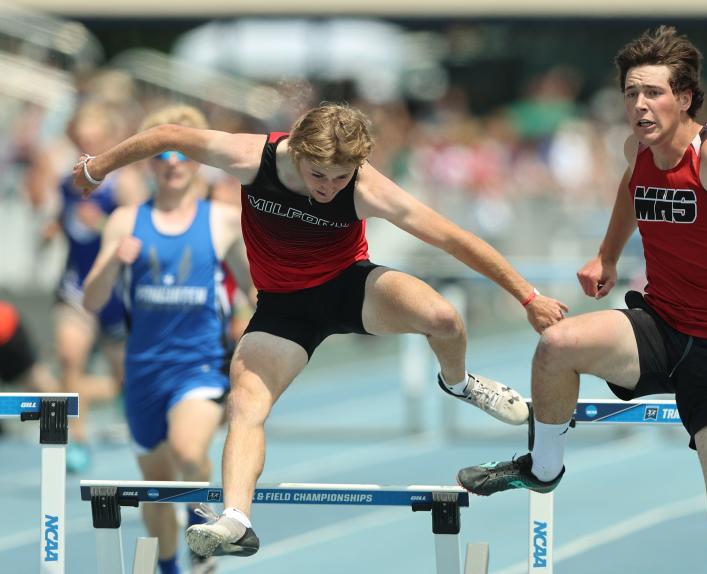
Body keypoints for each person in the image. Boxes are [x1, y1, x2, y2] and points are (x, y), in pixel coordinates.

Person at [71, 101, 569, 559]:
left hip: (348, 287)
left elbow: (453, 238)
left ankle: (458, 382)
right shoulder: (254, 157)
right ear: (297, 151)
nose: (329, 187)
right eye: (318, 175)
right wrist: (98, 167)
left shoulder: (365, 185)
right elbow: (168, 134)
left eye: (340, 176)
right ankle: (236, 520)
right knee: (245, 402)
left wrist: (527, 295)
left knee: (442, 318)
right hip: (284, 309)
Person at [457, 26, 707, 574]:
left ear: (684, 97)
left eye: (654, 92)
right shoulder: (636, 149)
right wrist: (607, 257)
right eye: (632, 93)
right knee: (558, 343)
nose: (639, 104)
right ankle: (544, 467)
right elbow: (629, 191)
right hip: (658, 328)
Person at [83, 104, 252, 574]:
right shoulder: (124, 220)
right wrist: (116, 260)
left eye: (183, 154)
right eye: (163, 155)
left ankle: (203, 529)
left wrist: (255, 322)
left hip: (198, 366)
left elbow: (256, 289)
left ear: (196, 159)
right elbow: (93, 301)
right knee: (156, 487)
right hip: (143, 373)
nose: (173, 163)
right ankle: (171, 566)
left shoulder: (221, 219)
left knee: (188, 450)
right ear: (151, 161)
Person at [50, 101, 148, 472]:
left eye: (94, 142)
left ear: (108, 141)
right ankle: (77, 437)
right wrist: (52, 228)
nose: (85, 150)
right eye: (80, 141)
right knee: (69, 358)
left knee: (123, 374)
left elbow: (141, 237)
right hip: (76, 286)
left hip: (115, 290)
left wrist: (104, 226)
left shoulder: (126, 183)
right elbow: (67, 224)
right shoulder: (65, 182)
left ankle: (128, 399)